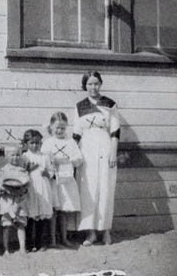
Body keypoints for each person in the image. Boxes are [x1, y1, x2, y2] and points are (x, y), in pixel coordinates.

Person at [73, 71, 120, 246]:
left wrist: (113, 153)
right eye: (89, 84)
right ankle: (91, 233)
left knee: (106, 188)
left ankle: (105, 230)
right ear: (85, 85)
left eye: (96, 83)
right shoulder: (79, 106)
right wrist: (74, 156)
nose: (93, 87)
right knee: (88, 189)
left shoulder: (110, 104)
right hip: (86, 150)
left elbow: (115, 131)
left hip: (105, 148)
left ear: (101, 84)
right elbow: (76, 133)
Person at [41, 112, 83, 247]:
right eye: (57, 128)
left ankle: (64, 238)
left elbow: (79, 159)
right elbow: (43, 159)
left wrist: (68, 159)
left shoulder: (70, 142)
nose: (59, 131)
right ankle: (53, 239)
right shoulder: (48, 143)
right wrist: (52, 161)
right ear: (51, 128)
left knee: (64, 210)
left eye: (62, 128)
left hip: (67, 180)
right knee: (54, 210)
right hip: (53, 180)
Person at [22, 129, 54, 252]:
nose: (35, 145)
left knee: (42, 217)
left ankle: (40, 242)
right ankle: (29, 243)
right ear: (26, 144)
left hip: (43, 188)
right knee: (31, 216)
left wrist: (47, 173)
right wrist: (28, 169)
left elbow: (51, 172)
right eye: (32, 143)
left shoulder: (44, 156)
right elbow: (20, 173)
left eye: (37, 143)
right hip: (31, 189)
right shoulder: (25, 156)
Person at [0, 144, 29, 256]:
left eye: (17, 155)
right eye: (12, 155)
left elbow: (26, 184)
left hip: (19, 201)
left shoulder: (22, 170)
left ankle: (22, 248)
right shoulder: (4, 170)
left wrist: (22, 190)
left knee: (21, 224)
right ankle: (6, 249)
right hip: (7, 201)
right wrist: (4, 190)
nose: (15, 158)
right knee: (7, 225)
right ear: (6, 156)